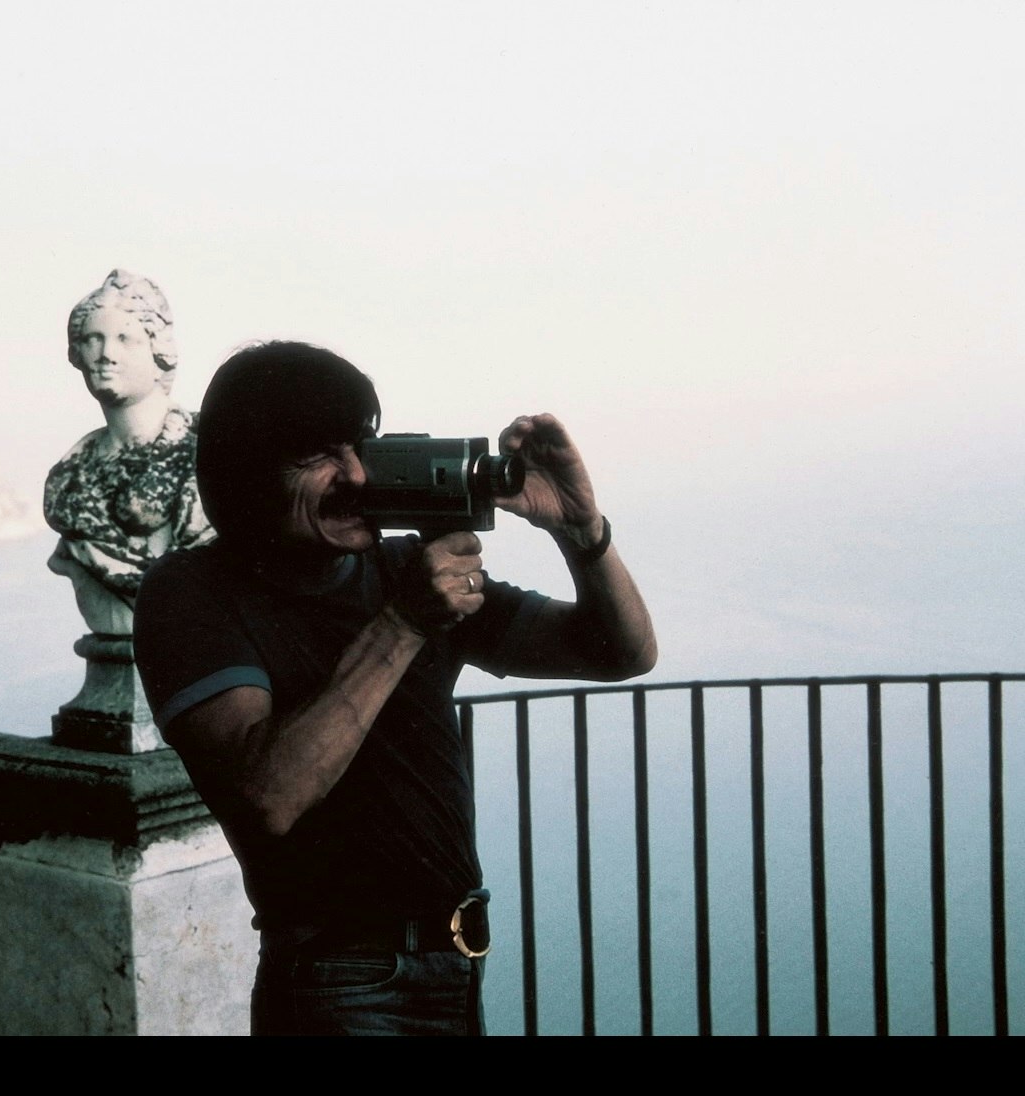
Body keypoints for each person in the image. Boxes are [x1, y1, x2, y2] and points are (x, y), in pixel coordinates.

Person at [133, 341, 656, 1036]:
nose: (355, 474)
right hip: (337, 982)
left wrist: (583, 532)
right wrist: (405, 623)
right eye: (317, 456)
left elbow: (620, 653)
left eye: (358, 446)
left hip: (454, 964)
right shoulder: (193, 594)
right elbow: (267, 797)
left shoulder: (404, 568)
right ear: (246, 472)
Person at [45, 269, 213, 636]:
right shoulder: (69, 483)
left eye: (125, 339)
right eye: (93, 339)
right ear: (77, 352)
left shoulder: (207, 454)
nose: (106, 354)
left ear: (158, 350)